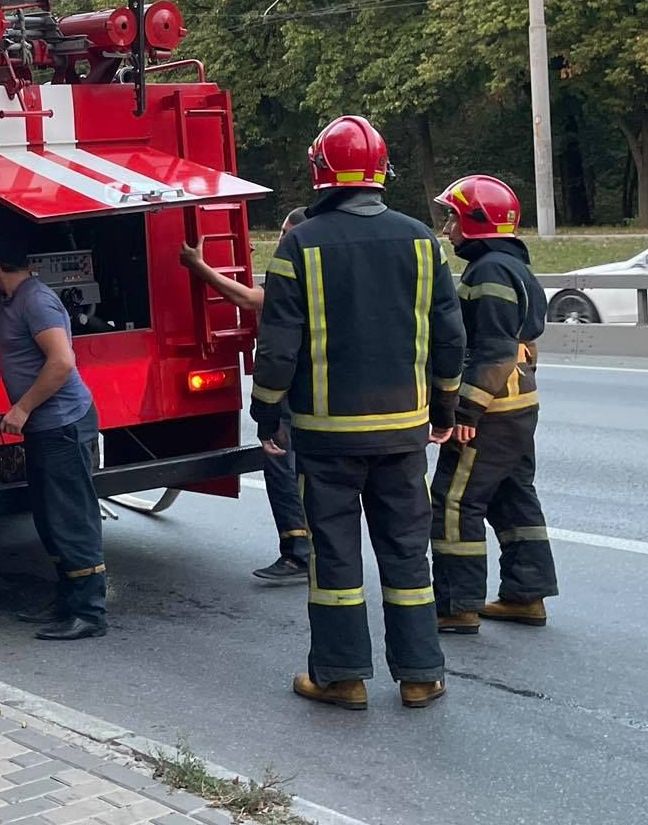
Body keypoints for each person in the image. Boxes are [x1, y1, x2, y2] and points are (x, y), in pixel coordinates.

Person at [250, 116, 463, 712]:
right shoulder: (423, 240)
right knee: (405, 551)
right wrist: (443, 409)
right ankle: (422, 674)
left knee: (336, 555)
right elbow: (450, 338)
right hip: (403, 433)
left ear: (320, 174)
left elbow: (279, 346)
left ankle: (342, 677)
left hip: (324, 439)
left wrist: (266, 414)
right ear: (379, 174)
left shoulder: (299, 245)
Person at [430, 175, 557, 634]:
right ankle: (526, 594)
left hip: (491, 412)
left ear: (475, 221)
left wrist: (464, 413)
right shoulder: (514, 265)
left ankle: (456, 605)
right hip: (519, 406)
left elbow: (495, 349)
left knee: (453, 502)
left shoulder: (489, 272)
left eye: (453, 217)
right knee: (513, 495)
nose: (447, 229)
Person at [0, 231, 108, 641]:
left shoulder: (37, 300)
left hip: (64, 423)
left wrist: (21, 408)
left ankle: (89, 612)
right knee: (49, 515)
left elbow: (61, 362)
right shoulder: (8, 302)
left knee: (72, 516)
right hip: (45, 426)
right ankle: (66, 600)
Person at [180, 207, 313, 584]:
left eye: (285, 234)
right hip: (318, 384)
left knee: (279, 461)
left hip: (289, 384)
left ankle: (298, 551)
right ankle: (315, 549)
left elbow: (251, 301)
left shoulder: (295, 271)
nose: (283, 241)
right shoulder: (325, 268)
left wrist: (198, 266)